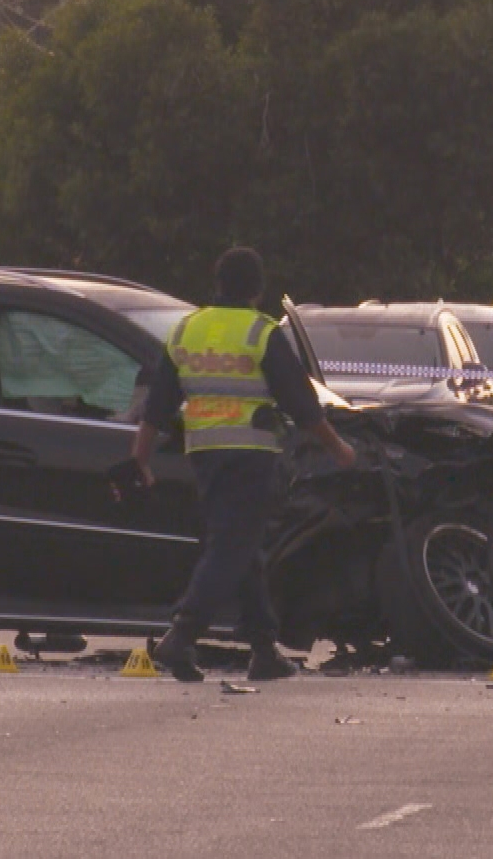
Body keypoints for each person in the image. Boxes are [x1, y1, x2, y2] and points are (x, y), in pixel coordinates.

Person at [133, 247, 356, 683]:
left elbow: (156, 406)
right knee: (232, 546)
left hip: (204, 456)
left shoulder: (188, 330)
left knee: (241, 545)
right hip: (251, 455)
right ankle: (183, 633)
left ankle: (263, 648)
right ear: (257, 288)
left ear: (218, 284)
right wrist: (339, 449)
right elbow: (302, 404)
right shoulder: (261, 332)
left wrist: (138, 457)